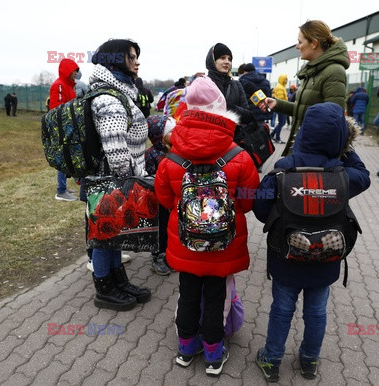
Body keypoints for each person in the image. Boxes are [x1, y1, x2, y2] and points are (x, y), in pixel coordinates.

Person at [252, 102, 370, 382]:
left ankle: (271, 360)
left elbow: (259, 209)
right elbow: (364, 176)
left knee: (281, 310)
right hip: (326, 260)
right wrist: (346, 149)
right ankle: (309, 361)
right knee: (316, 312)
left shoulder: (282, 170)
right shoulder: (344, 175)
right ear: (341, 139)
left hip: (286, 258)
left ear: (302, 133)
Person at [155, 76, 259, 376]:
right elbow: (249, 200)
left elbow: (164, 199)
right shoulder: (239, 156)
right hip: (223, 245)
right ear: (221, 111)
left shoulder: (171, 157)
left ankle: (186, 349)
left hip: (185, 243)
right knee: (217, 297)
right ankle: (214, 355)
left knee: (187, 293)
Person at [88, 38, 151, 311]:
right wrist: (132, 182)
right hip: (111, 179)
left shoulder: (120, 92)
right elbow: (116, 153)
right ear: (115, 60)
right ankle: (104, 288)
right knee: (104, 235)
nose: (137, 61)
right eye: (132, 57)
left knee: (113, 234)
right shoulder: (109, 99)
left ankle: (118, 280)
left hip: (117, 178)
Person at [259, 20, 350, 156]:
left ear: (314, 43)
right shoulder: (313, 70)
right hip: (302, 147)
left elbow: (333, 121)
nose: (297, 46)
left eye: (300, 42)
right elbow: (305, 109)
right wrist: (278, 104)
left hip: (313, 153)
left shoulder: (333, 71)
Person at [145, 114, 175, 275]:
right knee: (159, 229)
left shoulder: (174, 151)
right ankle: (157, 256)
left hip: (171, 200)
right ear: (159, 136)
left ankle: (168, 253)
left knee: (170, 228)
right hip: (157, 201)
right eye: (172, 131)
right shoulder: (151, 155)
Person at [49, 58, 80, 202]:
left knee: (68, 157)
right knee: (63, 157)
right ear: (67, 71)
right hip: (62, 128)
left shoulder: (68, 86)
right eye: (74, 70)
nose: (76, 74)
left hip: (68, 126)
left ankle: (64, 187)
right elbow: (57, 109)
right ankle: (61, 191)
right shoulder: (59, 86)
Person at [205, 42, 253, 125]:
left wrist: (231, 107)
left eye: (229, 59)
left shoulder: (236, 85)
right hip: (207, 136)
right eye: (222, 58)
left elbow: (248, 116)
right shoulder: (203, 85)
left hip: (233, 136)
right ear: (213, 61)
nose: (227, 62)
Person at [269, 74, 289, 144]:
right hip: (282, 107)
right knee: (281, 122)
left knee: (282, 122)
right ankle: (277, 138)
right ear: (282, 79)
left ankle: (271, 135)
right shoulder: (280, 87)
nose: (287, 80)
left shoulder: (281, 87)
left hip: (282, 107)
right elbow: (280, 99)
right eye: (285, 79)